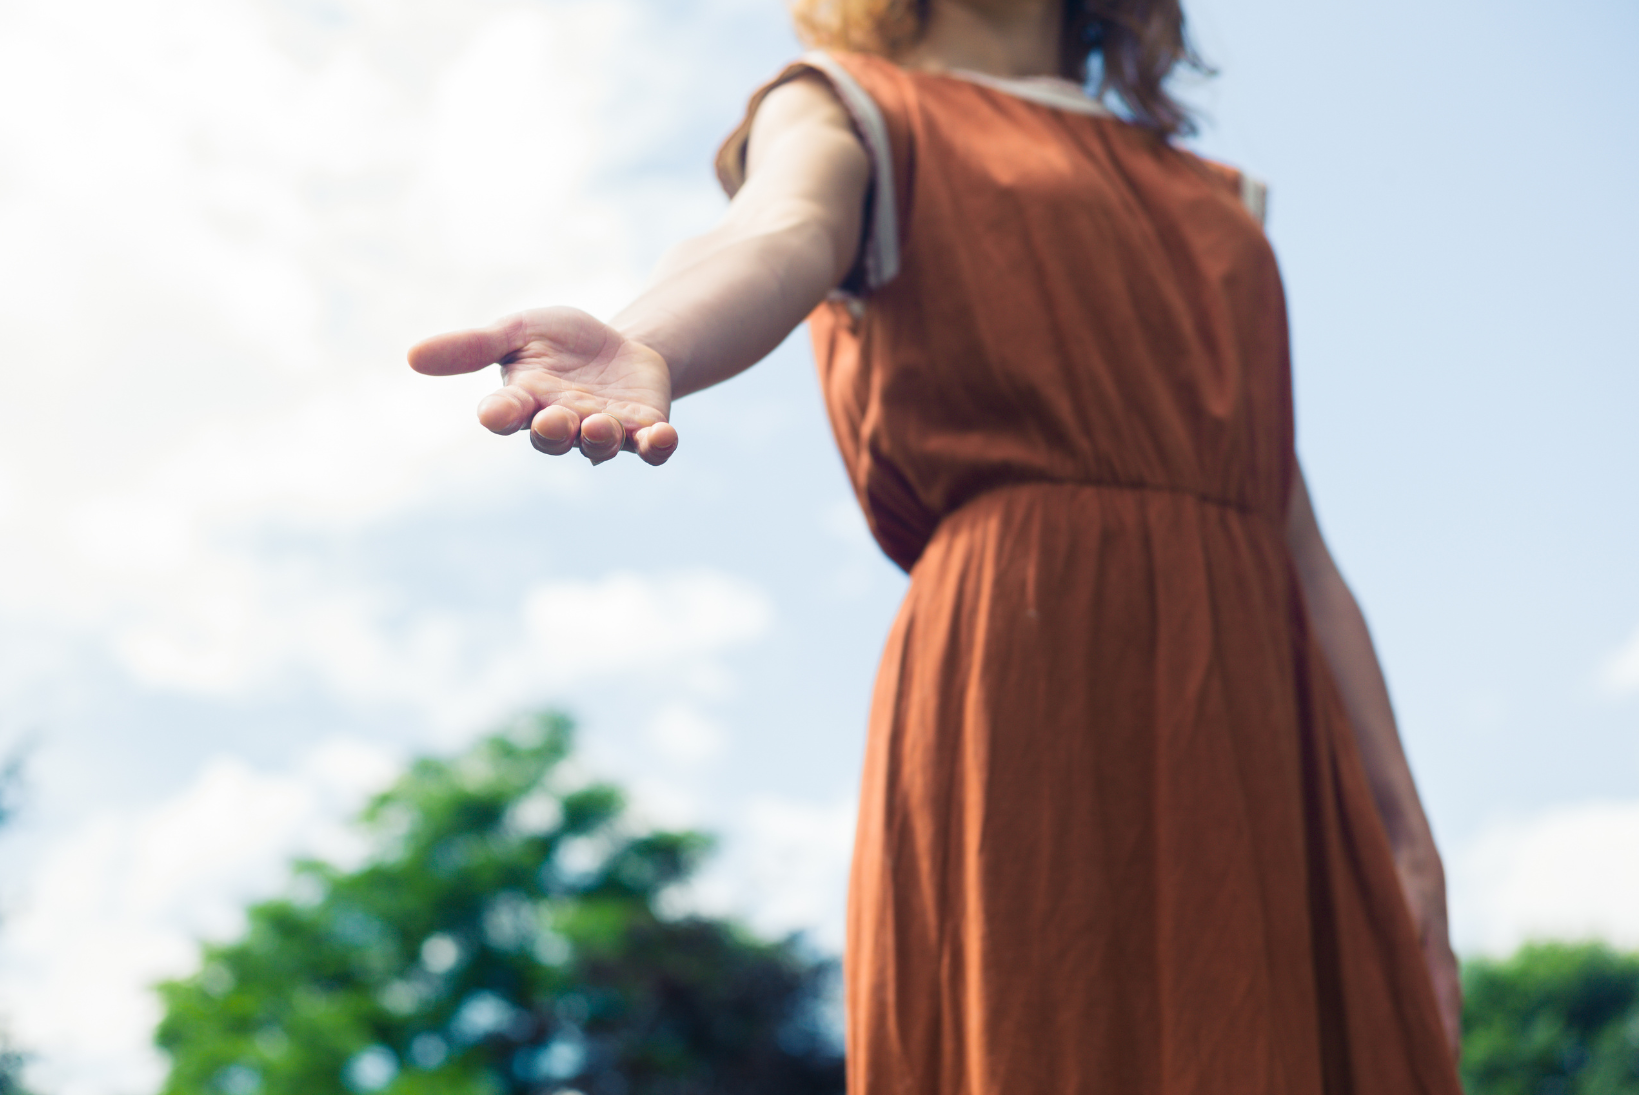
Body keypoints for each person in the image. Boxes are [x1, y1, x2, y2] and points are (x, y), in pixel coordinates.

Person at [408, 0, 1464, 1090]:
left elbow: (1293, 536)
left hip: (1255, 699)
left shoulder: (1217, 199)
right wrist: (649, 342)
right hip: (1030, 663)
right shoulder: (849, 106)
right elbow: (776, 234)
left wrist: (1404, 834)